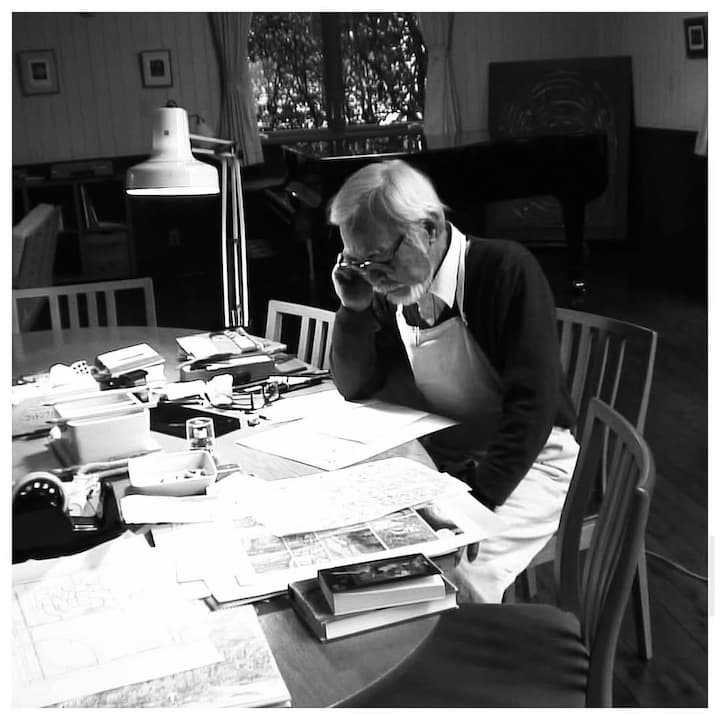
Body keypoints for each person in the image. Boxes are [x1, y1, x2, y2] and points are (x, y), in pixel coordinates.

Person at [328, 159, 579, 603]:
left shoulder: (504, 270)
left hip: (529, 462)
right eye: (360, 264)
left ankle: (478, 648)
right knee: (357, 544)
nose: (375, 278)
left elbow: (533, 406)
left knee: (446, 575)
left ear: (429, 228)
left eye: (381, 259)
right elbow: (356, 387)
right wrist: (353, 310)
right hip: (449, 461)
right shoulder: (389, 288)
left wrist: (477, 504)